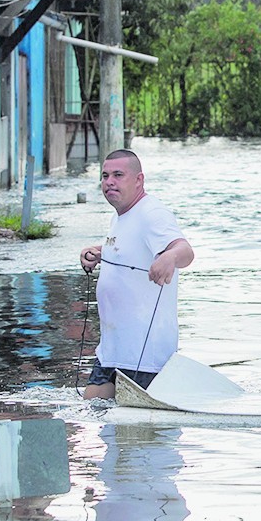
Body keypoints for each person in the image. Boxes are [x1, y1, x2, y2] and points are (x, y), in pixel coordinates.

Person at [79, 149, 195, 398]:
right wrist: (99, 252)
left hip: (144, 356)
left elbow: (185, 250)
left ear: (139, 180)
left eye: (118, 175)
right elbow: (126, 248)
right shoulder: (119, 217)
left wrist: (170, 257)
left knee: (138, 432)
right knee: (92, 410)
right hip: (112, 349)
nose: (110, 182)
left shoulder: (152, 213)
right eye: (105, 175)